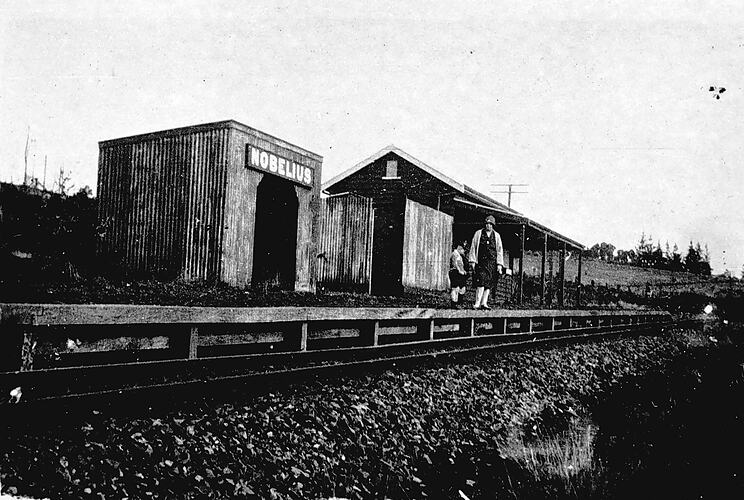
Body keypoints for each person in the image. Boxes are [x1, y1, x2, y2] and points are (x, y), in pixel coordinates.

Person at [468, 215, 504, 309]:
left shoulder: (496, 236)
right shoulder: (478, 233)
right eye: (487, 224)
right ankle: (477, 303)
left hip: (491, 263)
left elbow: (500, 250)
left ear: (493, 226)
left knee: (488, 284)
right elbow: (473, 246)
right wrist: (472, 260)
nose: (488, 226)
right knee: (481, 282)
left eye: (490, 224)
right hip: (481, 262)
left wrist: (499, 264)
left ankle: (484, 303)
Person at [449, 240, 468, 307]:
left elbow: (460, 265)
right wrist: (460, 270)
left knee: (462, 288)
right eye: (463, 249)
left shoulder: (460, 256)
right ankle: (454, 302)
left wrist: (463, 271)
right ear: (459, 248)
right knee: (455, 288)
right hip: (455, 273)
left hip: (460, 273)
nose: (463, 251)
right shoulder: (455, 254)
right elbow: (455, 264)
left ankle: (459, 302)